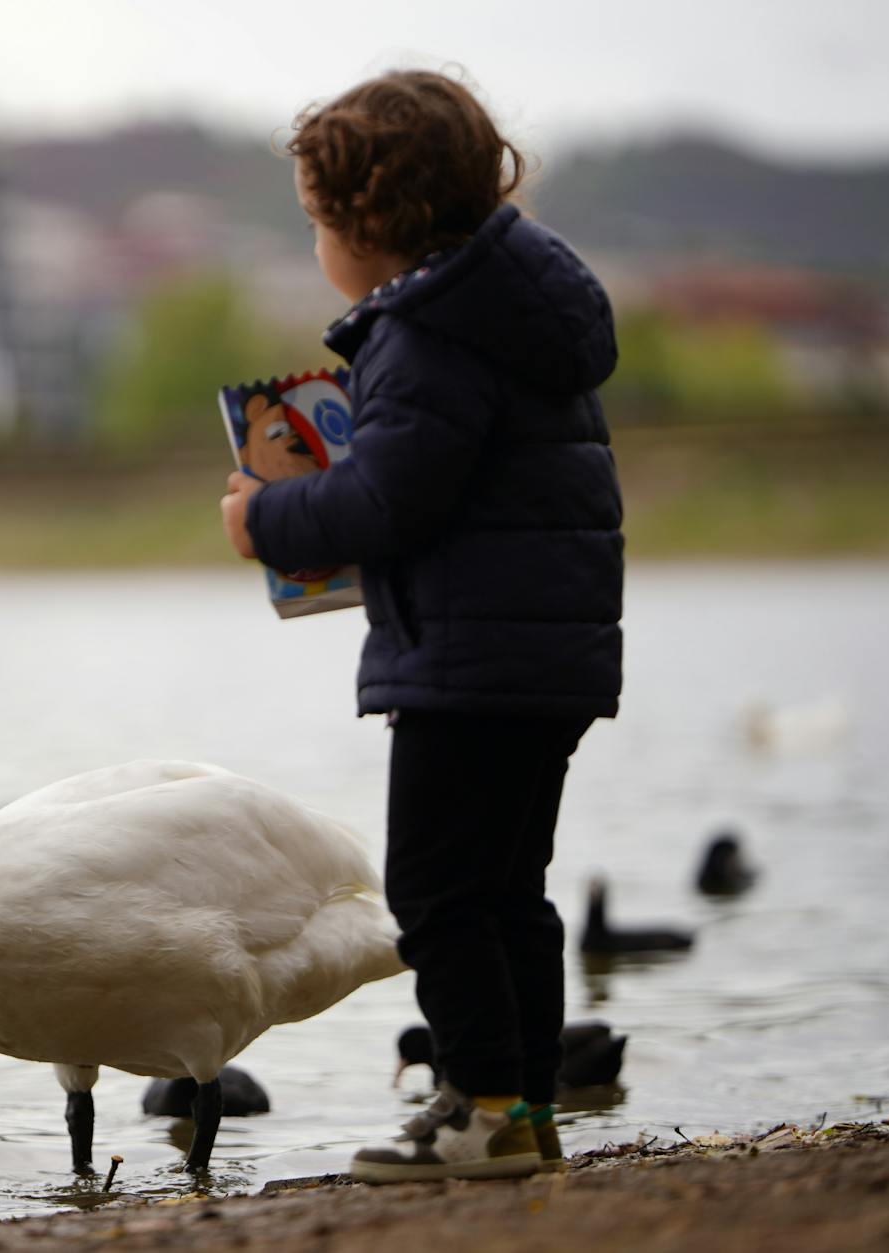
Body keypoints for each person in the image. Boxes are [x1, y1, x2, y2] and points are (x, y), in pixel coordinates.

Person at [219, 68, 624, 1183]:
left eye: (315, 223)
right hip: (545, 654)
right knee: (507, 890)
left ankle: (479, 1107)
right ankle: (526, 1106)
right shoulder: (517, 312)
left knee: (436, 894)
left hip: (467, 661)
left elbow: (388, 500)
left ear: (372, 225)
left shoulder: (428, 334)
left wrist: (266, 515)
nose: (313, 248)